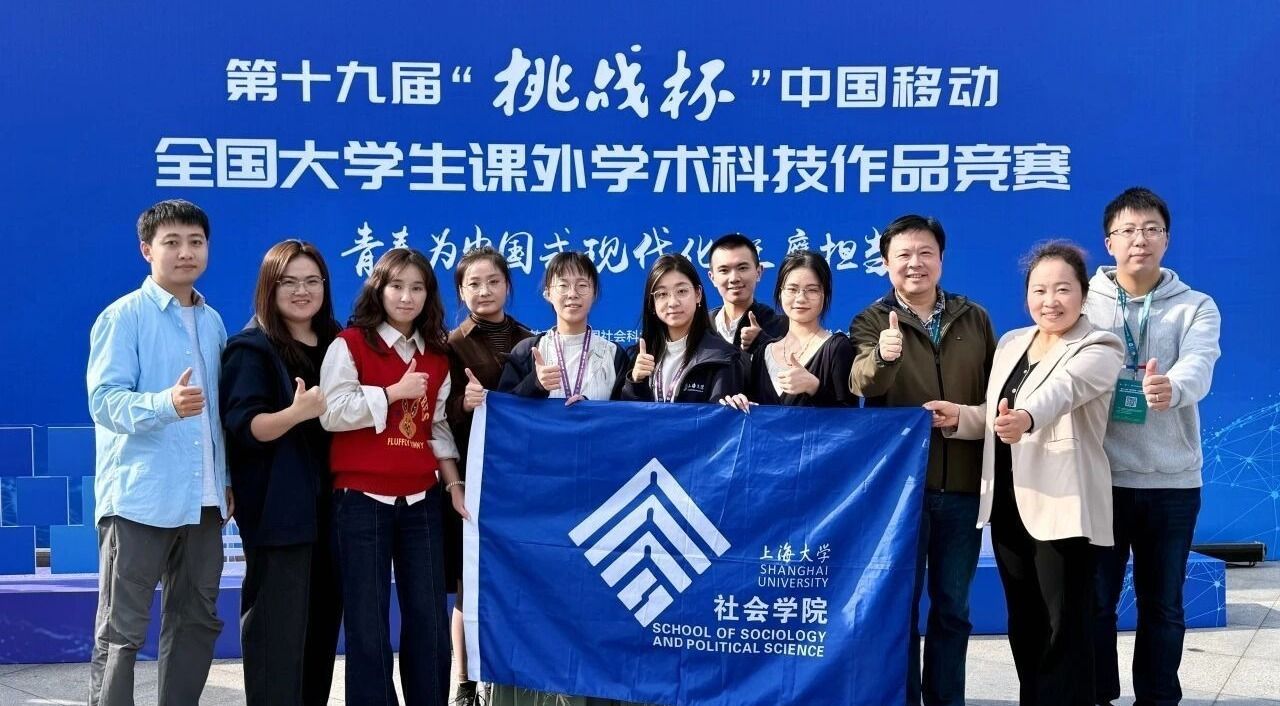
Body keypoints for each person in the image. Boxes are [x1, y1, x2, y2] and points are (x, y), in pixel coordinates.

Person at [925, 241, 1124, 706]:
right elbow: (996, 414)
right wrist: (960, 417)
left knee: (1063, 625)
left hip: (1064, 506)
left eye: (1063, 289)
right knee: (1025, 621)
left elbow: (1062, 391)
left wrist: (1028, 418)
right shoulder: (1013, 343)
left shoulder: (1100, 346)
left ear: (1083, 294)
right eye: (1039, 290)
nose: (1050, 300)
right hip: (1008, 504)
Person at [86, 199, 232, 706]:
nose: (186, 252)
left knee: (196, 620)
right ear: (147, 250)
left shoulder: (213, 322)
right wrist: (164, 403)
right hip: (139, 499)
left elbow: (216, 416)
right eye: (172, 242)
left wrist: (225, 479)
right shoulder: (123, 316)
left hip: (204, 500)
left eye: (196, 242)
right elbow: (104, 402)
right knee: (121, 630)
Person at [847, 215, 996, 706]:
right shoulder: (871, 321)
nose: (916, 263)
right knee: (900, 610)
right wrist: (885, 356)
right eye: (904, 255)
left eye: (925, 252)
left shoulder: (974, 318)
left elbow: (997, 393)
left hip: (962, 489)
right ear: (886, 263)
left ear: (941, 259)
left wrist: (965, 417)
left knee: (954, 609)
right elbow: (862, 383)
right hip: (902, 494)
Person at [1086, 188, 1221, 706]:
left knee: (1162, 606)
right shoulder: (1084, 301)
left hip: (1172, 482)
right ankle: (1097, 694)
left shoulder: (1195, 306)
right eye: (1127, 230)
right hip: (1100, 478)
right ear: (1109, 242)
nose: (1139, 239)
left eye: (1150, 229)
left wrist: (1173, 388)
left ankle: (1159, 698)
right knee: (1095, 603)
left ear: (1166, 239)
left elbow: (1199, 365)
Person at [319, 247, 467, 706]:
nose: (406, 297)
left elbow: (436, 427)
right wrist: (391, 393)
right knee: (367, 623)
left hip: (421, 501)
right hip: (360, 502)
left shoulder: (437, 356)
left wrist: (453, 484)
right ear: (378, 290)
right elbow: (331, 412)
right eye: (396, 286)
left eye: (417, 288)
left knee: (429, 620)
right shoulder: (350, 344)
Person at [491, 252, 630, 706]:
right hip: (541, 500)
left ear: (595, 293)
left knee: (594, 597)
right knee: (545, 596)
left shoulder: (614, 354)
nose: (573, 294)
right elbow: (503, 420)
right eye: (563, 286)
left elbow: (632, 421)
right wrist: (534, 385)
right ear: (547, 293)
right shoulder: (526, 351)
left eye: (582, 285)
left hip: (600, 496)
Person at [220, 240, 342, 706]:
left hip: (332, 512)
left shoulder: (336, 341)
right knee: (277, 633)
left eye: (311, 281)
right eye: (288, 282)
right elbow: (246, 427)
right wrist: (296, 413)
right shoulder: (251, 347)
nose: (301, 291)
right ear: (268, 288)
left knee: (320, 633)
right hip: (279, 514)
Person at [445, 247, 533, 705]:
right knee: (470, 583)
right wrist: (463, 405)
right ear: (461, 291)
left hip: (522, 480)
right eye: (473, 284)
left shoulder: (532, 340)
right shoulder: (451, 344)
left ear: (507, 286)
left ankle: (514, 676)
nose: (484, 291)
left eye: (493, 281)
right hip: (472, 478)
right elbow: (437, 416)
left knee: (518, 578)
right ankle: (464, 683)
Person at [720, 250, 857, 410]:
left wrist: (814, 387)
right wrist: (740, 402)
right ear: (780, 293)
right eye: (792, 289)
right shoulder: (763, 353)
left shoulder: (837, 348)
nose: (801, 298)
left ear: (824, 295)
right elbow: (755, 412)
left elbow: (852, 419)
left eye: (812, 290)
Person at [624, 254, 744, 403]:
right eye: (662, 294)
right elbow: (622, 415)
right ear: (652, 303)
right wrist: (635, 383)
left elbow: (720, 415)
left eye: (681, 291)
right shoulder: (637, 358)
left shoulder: (723, 358)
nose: (673, 302)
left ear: (698, 294)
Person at [706, 233, 787, 355]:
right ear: (712, 278)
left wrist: (764, 342)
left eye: (742, 268)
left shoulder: (781, 326)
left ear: (758, 272)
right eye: (724, 270)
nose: (734, 278)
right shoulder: (702, 326)